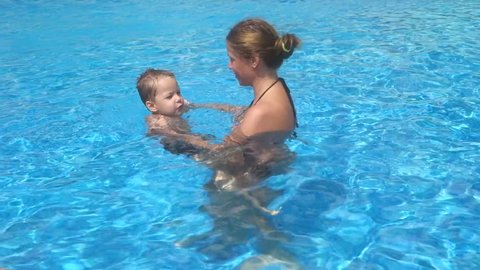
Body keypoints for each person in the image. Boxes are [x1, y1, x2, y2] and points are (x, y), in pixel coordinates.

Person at [173, 18, 301, 190]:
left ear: (254, 60)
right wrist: (198, 106)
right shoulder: (278, 89)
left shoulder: (260, 112)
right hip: (263, 173)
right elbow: (242, 112)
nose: (229, 66)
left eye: (232, 59)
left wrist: (173, 134)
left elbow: (217, 155)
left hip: (241, 189)